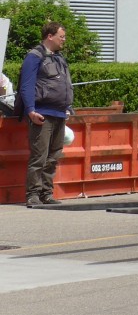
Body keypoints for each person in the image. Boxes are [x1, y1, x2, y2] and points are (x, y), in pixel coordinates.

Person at [18, 22, 74, 207]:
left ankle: (46, 194)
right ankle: (33, 195)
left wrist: (68, 107)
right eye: (61, 36)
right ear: (50, 36)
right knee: (39, 157)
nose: (64, 40)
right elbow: (26, 85)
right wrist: (31, 111)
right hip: (42, 113)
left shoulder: (59, 58)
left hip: (59, 113)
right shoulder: (34, 57)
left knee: (53, 156)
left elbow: (65, 84)